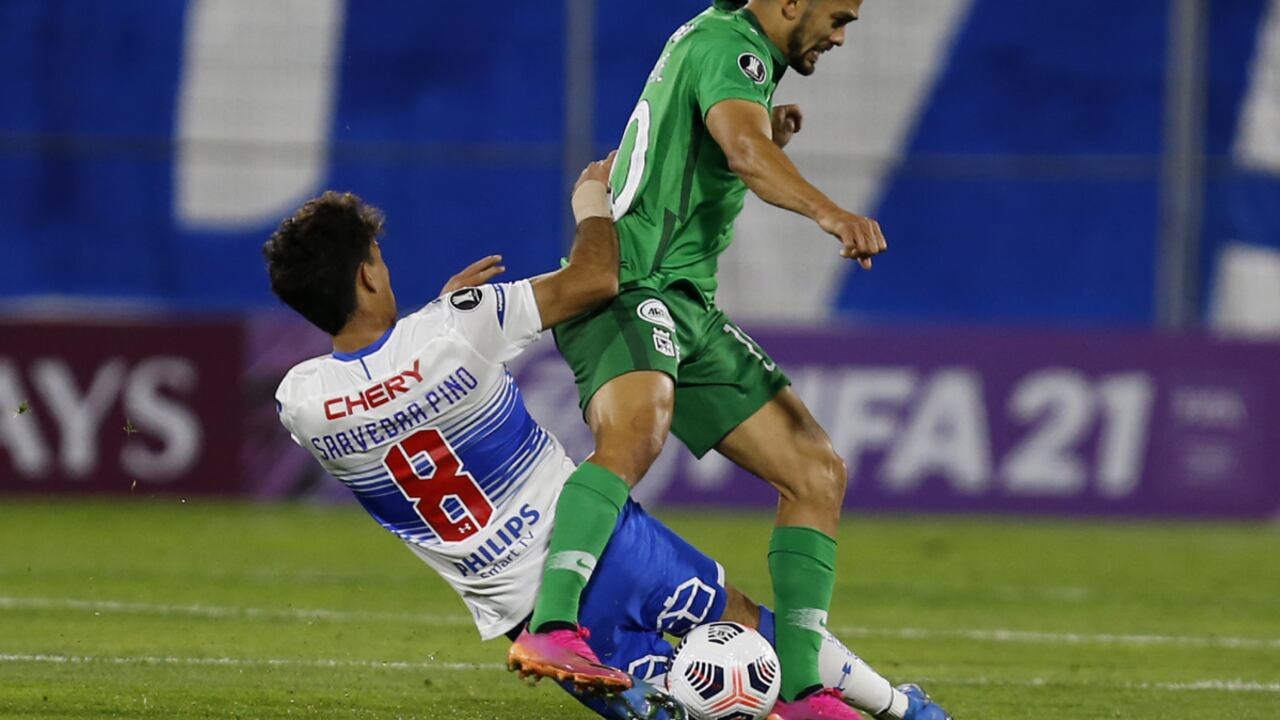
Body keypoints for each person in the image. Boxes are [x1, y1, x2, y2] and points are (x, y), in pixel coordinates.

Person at [265, 158, 950, 720]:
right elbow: (596, 280)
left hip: (517, 609)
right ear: (369, 272)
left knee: (684, 710)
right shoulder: (454, 329)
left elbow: (387, 382)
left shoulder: (301, 402)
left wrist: (438, 317)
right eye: (378, 256)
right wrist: (591, 203)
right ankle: (897, 710)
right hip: (595, 542)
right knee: (745, 623)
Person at [513, 2, 898, 719]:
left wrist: (762, 133)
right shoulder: (735, 46)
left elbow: (725, 147)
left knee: (815, 470)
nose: (841, 36)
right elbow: (747, 156)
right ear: (789, 3)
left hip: (687, 305)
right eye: (837, 16)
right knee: (636, 431)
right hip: (628, 286)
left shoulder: (729, 50)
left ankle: (805, 690)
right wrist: (829, 212)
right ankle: (553, 627)